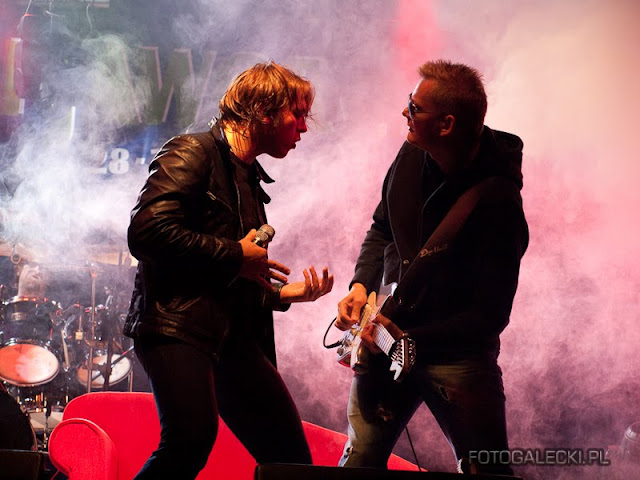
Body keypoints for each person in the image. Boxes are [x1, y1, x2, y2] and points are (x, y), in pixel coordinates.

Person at [123, 61, 334, 479]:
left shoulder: (249, 177)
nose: (303, 128)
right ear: (264, 111)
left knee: (288, 459)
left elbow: (224, 275)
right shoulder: (193, 151)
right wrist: (236, 254)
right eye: (297, 114)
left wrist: (280, 295)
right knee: (189, 441)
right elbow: (146, 232)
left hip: (231, 338)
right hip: (177, 326)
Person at [335, 60, 528, 475]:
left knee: (486, 470)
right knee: (359, 462)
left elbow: (490, 316)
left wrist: (414, 338)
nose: (404, 112)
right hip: (386, 340)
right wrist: (360, 285)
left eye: (414, 107)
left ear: (446, 125)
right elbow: (382, 227)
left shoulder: (498, 202)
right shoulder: (411, 151)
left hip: (457, 359)